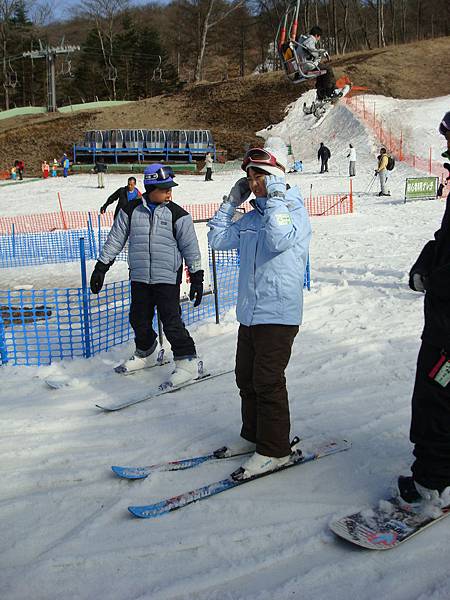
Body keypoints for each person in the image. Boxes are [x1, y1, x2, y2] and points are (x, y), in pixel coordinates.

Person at [207, 137, 312, 479]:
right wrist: (230, 203)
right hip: (250, 314)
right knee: (246, 379)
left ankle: (275, 449)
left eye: (260, 176)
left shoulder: (294, 210)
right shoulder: (252, 216)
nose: (254, 184)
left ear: (277, 176)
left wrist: (278, 196)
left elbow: (279, 240)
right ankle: (254, 436)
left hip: (278, 314)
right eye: (250, 178)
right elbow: (217, 240)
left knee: (267, 381)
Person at [90, 164, 204, 386]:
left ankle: (188, 361)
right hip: (140, 277)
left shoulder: (178, 215)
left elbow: (191, 248)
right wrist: (101, 267)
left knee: (171, 321)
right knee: (138, 318)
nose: (169, 192)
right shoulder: (130, 210)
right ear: (150, 188)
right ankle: (147, 353)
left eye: (170, 188)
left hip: (167, 278)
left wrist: (197, 277)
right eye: (164, 188)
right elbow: (115, 240)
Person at [398, 189, 450, 509]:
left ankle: (432, 483)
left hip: (446, 332)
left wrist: (436, 278)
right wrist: (425, 262)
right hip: (442, 323)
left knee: (436, 401)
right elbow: (443, 240)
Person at [297, 26, 337, 101]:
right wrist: (321, 53)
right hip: (307, 65)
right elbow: (310, 49)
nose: (318, 39)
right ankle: (330, 92)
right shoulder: (310, 40)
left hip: (303, 64)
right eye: (319, 37)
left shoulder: (303, 40)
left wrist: (320, 52)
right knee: (328, 69)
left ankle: (321, 93)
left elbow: (311, 50)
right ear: (316, 35)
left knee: (321, 71)